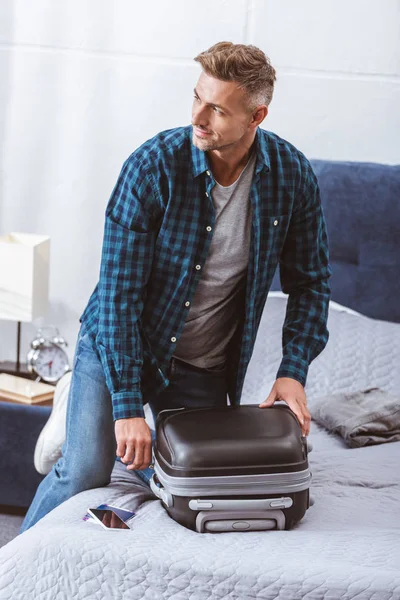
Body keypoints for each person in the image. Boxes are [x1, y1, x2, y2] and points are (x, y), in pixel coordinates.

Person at [20, 41, 332, 533]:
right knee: (85, 470)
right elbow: (119, 297)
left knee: (198, 478)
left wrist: (293, 370)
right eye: (196, 97)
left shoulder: (291, 177)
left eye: (217, 108)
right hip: (119, 344)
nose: (199, 116)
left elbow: (311, 283)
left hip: (201, 364)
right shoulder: (152, 167)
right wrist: (126, 407)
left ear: (257, 117)